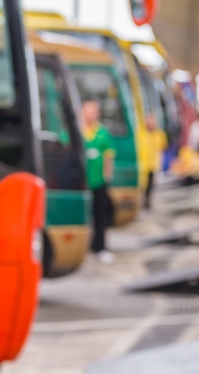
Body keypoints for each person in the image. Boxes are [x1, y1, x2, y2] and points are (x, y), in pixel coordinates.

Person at [82, 100, 117, 264]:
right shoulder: (77, 130)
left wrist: (107, 176)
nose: (91, 115)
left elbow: (109, 156)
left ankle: (100, 247)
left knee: (101, 215)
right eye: (88, 111)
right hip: (80, 182)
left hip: (98, 181)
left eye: (94, 111)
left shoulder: (103, 132)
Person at [144, 112, 168, 209]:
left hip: (154, 164)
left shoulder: (159, 134)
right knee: (144, 185)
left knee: (151, 184)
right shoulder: (142, 134)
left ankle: (148, 201)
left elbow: (163, 146)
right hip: (144, 164)